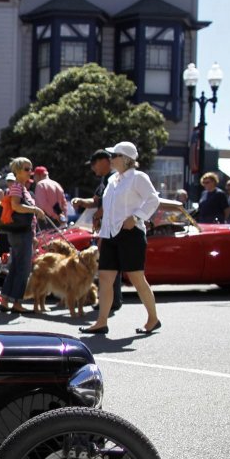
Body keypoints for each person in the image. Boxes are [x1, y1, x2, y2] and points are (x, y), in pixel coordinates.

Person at [80, 141, 161, 336]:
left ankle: (153, 319)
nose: (111, 159)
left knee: (136, 278)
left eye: (114, 155)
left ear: (125, 159)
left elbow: (153, 199)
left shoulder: (138, 177)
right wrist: (101, 225)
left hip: (131, 235)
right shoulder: (112, 180)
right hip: (110, 234)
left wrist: (136, 216)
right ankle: (101, 322)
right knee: (106, 278)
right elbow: (109, 207)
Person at [71, 149, 123, 313]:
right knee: (108, 265)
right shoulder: (104, 179)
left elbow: (112, 203)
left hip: (113, 227)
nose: (93, 168)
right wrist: (81, 201)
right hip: (106, 227)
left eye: (94, 164)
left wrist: (98, 216)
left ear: (104, 161)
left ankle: (109, 301)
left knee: (107, 265)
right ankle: (113, 300)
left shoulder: (115, 178)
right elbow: (96, 202)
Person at [0, 157, 46, 313]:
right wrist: (35, 210)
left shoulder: (21, 187)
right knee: (23, 268)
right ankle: (17, 303)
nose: (29, 172)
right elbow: (16, 206)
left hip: (22, 233)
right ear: (17, 171)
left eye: (30, 168)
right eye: (26, 169)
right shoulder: (18, 187)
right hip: (20, 233)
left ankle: (5, 300)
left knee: (16, 267)